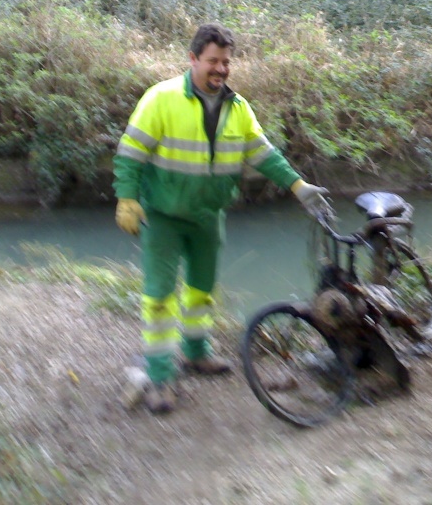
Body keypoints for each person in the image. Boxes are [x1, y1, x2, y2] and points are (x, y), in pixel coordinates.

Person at [113, 23, 328, 414]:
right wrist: (127, 199)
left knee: (200, 290)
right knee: (160, 298)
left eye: (226, 62)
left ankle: (196, 352)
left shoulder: (238, 108)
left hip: (209, 216)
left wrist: (298, 187)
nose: (220, 69)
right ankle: (160, 376)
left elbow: (264, 155)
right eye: (213, 60)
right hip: (164, 216)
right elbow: (130, 154)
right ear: (193, 59)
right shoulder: (160, 99)